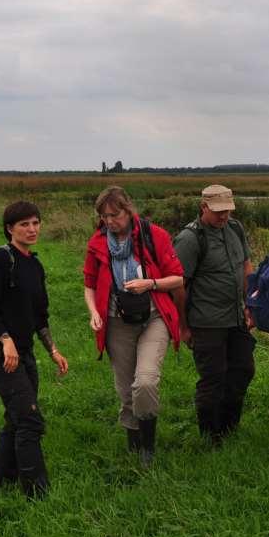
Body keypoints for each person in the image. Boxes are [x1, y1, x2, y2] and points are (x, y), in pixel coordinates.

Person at [83, 186, 185, 467]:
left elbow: (178, 278)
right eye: (104, 217)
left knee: (146, 381)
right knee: (126, 388)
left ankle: (148, 447)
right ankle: (134, 443)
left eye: (115, 215)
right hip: (117, 321)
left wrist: (149, 284)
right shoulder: (98, 243)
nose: (109, 222)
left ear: (129, 210)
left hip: (153, 317)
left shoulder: (154, 236)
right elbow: (89, 285)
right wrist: (94, 312)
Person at [0, 201, 69, 498]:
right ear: (9, 229)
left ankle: (2, 480)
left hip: (24, 352)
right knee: (30, 419)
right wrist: (5, 339)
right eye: (24, 224)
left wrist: (52, 349)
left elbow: (39, 315)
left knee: (16, 418)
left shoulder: (34, 265)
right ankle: (37, 493)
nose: (32, 229)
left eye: (36, 223)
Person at [173, 185, 256, 445]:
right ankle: (210, 437)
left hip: (236, 317)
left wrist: (250, 304)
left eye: (228, 211)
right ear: (203, 207)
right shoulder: (189, 239)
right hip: (206, 321)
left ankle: (230, 427)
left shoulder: (235, 229)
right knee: (213, 378)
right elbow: (178, 286)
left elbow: (245, 266)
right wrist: (184, 328)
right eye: (218, 212)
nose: (223, 217)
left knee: (243, 370)